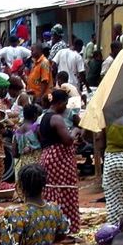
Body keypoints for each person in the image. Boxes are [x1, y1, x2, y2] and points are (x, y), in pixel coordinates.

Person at [38, 90, 80, 232]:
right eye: (65, 104)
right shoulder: (56, 118)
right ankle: (66, 229)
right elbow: (68, 140)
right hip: (59, 159)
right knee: (65, 191)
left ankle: (53, 228)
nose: (66, 107)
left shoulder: (44, 117)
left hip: (48, 156)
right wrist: (75, 130)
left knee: (52, 192)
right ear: (60, 103)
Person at [13, 103, 42, 199]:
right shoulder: (36, 128)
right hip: (37, 160)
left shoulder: (17, 132)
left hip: (24, 163)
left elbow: (15, 153)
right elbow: (43, 143)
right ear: (34, 115)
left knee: (28, 183)